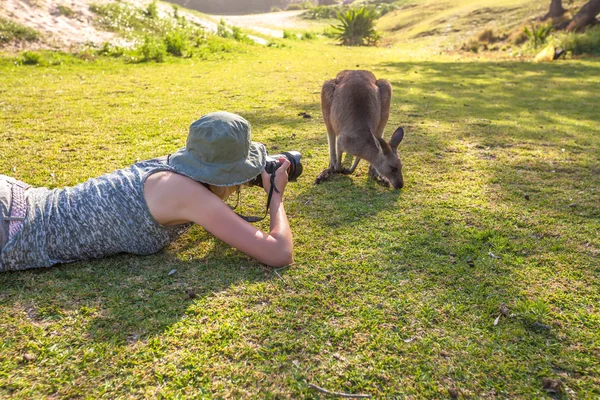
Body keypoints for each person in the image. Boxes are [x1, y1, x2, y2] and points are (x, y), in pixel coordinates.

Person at [0, 112, 293, 272]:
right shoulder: (191, 196)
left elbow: (219, 216)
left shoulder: (173, 169)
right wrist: (275, 195)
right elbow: (279, 253)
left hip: (19, 199)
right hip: (14, 228)